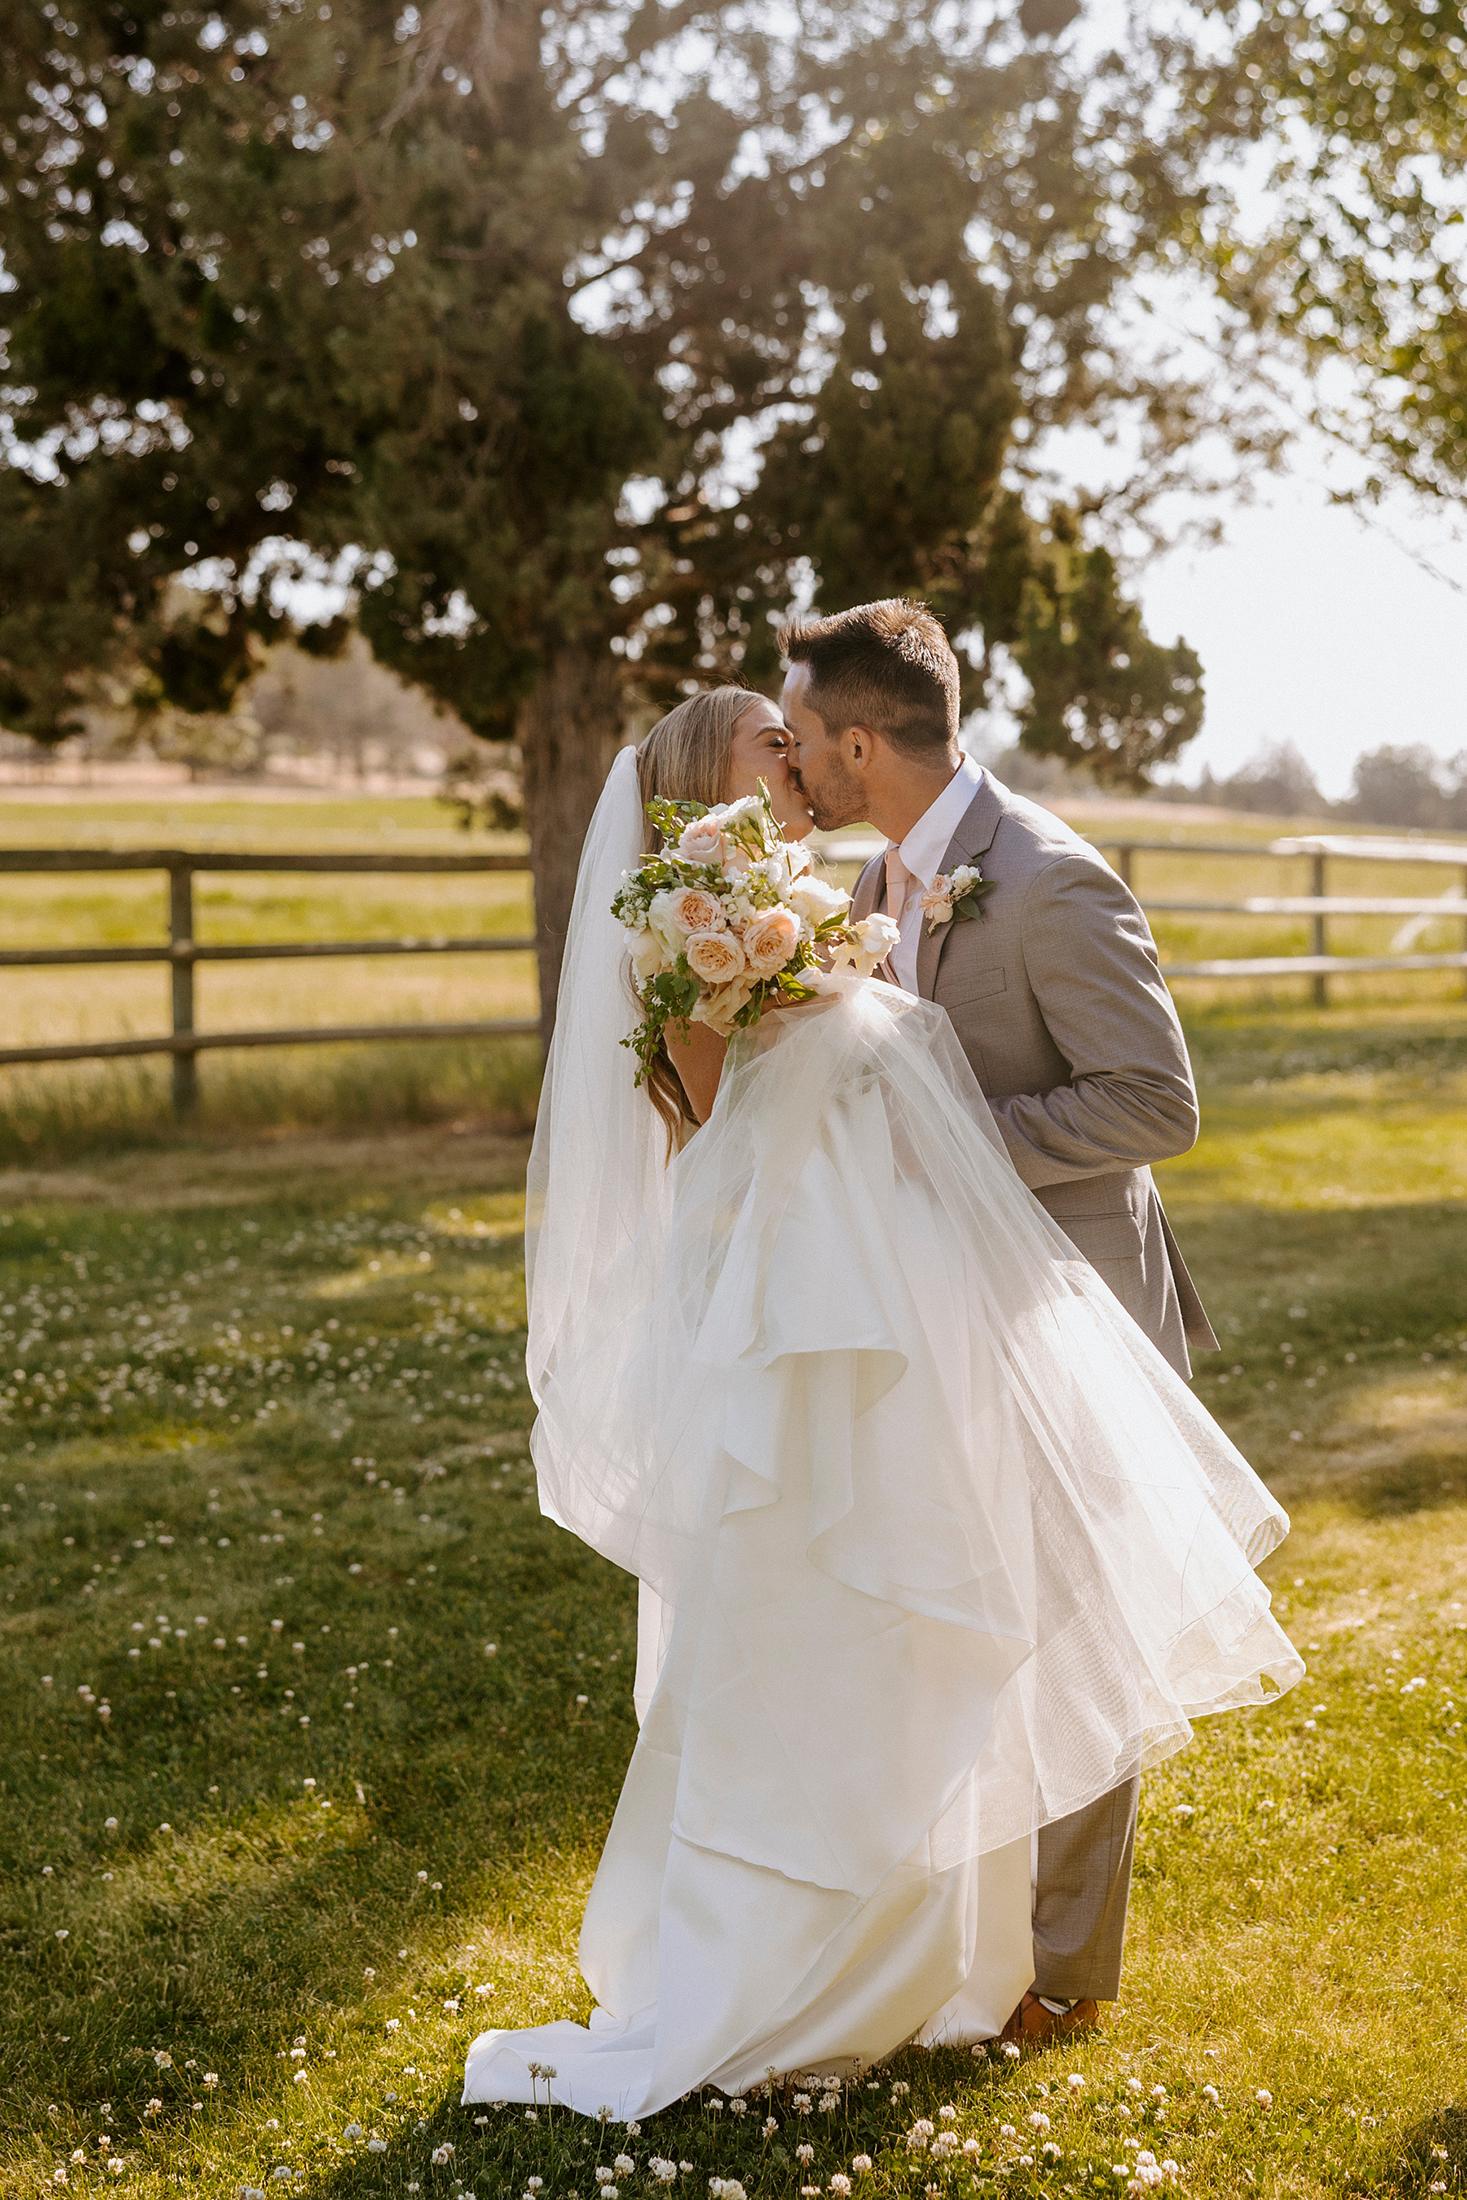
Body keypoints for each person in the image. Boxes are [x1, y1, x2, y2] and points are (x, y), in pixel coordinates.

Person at [462, 679, 1302, 2125]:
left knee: (973, 1615)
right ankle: (843, 1960)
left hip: (927, 1308)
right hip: (827, 1325)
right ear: (698, 784)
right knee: (844, 1616)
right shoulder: (714, 917)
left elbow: (1118, 1101)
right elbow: (727, 1120)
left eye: (799, 742)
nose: (792, 763)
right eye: (765, 748)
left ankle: (1012, 1959)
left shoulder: (890, 888)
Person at [780, 598, 1219, 2046]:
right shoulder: (872, 877)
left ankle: (1066, 1976)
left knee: (1079, 1623)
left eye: (799, 739)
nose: (789, 761)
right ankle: (961, 1926)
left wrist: (955, 1140)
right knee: (970, 1610)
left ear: (859, 740)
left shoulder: (1046, 883)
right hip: (950, 1301)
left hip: (1073, 1297)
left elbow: (1158, 1106)